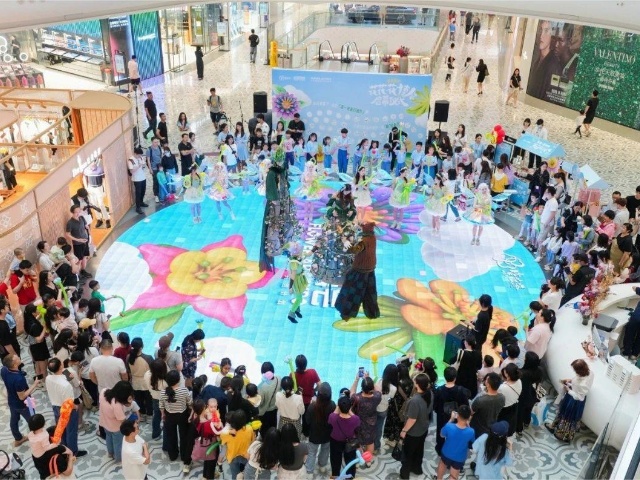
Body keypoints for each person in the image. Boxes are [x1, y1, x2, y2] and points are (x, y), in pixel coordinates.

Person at [335, 222, 380, 321]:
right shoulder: (373, 238)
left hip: (359, 271)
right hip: (370, 270)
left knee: (351, 292)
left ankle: (346, 313)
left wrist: (346, 242)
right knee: (370, 292)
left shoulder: (363, 242)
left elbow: (353, 250)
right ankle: (372, 313)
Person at [46, 357, 86, 457]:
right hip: (67, 409)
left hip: (55, 406)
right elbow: (69, 402)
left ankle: (64, 448)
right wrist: (75, 407)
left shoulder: (48, 378)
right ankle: (73, 452)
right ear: (61, 366)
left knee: (61, 428)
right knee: (71, 431)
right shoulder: (65, 385)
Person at [545, 359, 594, 441]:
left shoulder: (583, 384)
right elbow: (578, 383)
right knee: (566, 414)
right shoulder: (590, 373)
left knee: (567, 415)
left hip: (573, 400)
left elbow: (579, 397)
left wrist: (568, 390)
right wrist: (571, 382)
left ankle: (561, 434)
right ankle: (560, 431)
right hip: (572, 396)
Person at [1, 353, 40, 447]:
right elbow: (22, 397)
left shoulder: (4, 370)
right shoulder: (19, 379)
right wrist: (35, 384)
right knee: (33, 420)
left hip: (11, 400)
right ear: (14, 364)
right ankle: (38, 439)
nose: (19, 357)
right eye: (17, 358)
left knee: (14, 420)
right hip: (26, 403)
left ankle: (18, 439)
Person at [399, 373, 432, 479]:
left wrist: (404, 431)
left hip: (413, 432)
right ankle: (417, 469)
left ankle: (405, 474)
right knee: (419, 450)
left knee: (408, 454)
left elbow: (412, 419)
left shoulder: (415, 401)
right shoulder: (430, 394)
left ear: (417, 385)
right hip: (423, 428)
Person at [160, 370, 193, 473]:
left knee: (171, 436)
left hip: (169, 416)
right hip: (182, 415)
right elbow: (190, 403)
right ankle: (184, 456)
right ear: (178, 380)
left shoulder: (163, 392)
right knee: (184, 436)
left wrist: (163, 414)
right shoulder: (184, 390)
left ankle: (173, 455)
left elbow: (161, 405)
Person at [434, 367, 471, 456]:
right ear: (455, 377)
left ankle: (440, 450)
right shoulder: (461, 390)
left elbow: (435, 407)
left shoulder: (439, 390)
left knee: (441, 433)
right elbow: (466, 406)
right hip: (458, 418)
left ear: (444, 376)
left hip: (442, 417)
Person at [436, 404, 475, 480]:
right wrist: (468, 425)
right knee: (454, 475)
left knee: (442, 465)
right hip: (460, 457)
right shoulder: (471, 431)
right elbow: (472, 440)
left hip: (446, 453)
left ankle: (439, 479)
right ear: (468, 417)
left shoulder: (449, 426)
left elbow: (441, 435)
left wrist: (451, 419)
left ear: (458, 415)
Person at [328, 395, 361, 479]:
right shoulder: (355, 419)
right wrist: (349, 410)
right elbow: (354, 418)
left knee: (335, 460)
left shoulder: (333, 417)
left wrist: (338, 407)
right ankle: (350, 477)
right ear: (350, 407)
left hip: (335, 441)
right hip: (349, 441)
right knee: (350, 461)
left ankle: (336, 476)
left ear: (338, 407)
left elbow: (333, 414)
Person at [305, 382, 334, 475]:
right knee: (325, 450)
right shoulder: (332, 405)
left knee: (312, 453)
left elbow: (307, 421)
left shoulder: (312, 406)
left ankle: (309, 471)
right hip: (327, 434)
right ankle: (322, 466)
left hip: (314, 435)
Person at [349, 375, 381, 457]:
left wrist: (356, 379)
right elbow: (378, 390)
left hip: (358, 424)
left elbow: (351, 392)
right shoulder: (377, 397)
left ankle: (360, 457)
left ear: (362, 388)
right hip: (371, 424)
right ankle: (368, 460)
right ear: (372, 388)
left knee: (358, 441)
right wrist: (369, 379)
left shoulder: (357, 398)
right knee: (370, 442)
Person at [220, 410, 255, 479]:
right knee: (247, 474)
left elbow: (222, 439)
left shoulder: (227, 434)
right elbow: (253, 441)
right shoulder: (249, 429)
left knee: (235, 475)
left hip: (232, 456)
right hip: (246, 455)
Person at [470, 373, 505, 439]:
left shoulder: (480, 400)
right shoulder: (502, 397)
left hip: (478, 425)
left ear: (488, 384)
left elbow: (471, 412)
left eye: (486, 380)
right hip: (492, 424)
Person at [517, 352, 544, 435]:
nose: (524, 359)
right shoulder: (540, 370)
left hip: (523, 396)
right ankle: (526, 422)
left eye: (525, 358)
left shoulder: (522, 373)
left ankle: (519, 429)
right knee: (528, 410)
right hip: (534, 395)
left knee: (520, 413)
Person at [373, 364, 398, 452]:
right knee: (379, 429)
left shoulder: (377, 380)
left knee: (370, 427)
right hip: (383, 409)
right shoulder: (394, 388)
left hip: (373, 408)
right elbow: (391, 397)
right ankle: (376, 447)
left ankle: (368, 444)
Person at [496, 363, 521, 437]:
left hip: (504, 408)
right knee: (509, 423)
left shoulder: (503, 387)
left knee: (500, 424)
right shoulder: (519, 381)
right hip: (514, 405)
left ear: (508, 375)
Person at [128, 146, 148, 215]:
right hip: (137, 179)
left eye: (141, 155)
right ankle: (138, 207)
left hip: (143, 177)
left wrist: (143, 164)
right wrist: (139, 165)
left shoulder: (140, 158)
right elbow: (131, 171)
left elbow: (143, 165)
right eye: (139, 155)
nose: (140, 156)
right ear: (135, 154)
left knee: (143, 191)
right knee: (138, 193)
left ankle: (141, 202)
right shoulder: (131, 160)